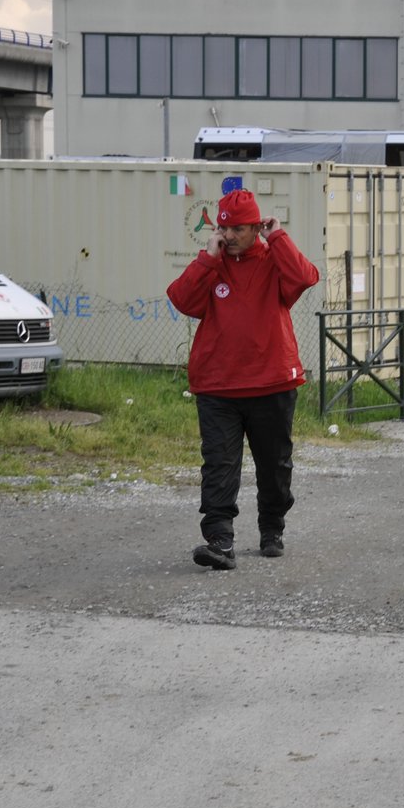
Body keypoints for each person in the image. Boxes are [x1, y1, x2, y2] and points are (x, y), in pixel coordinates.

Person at [166, 188, 321, 570]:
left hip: (272, 381)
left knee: (274, 464)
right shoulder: (213, 264)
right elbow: (181, 300)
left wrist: (279, 237)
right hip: (218, 385)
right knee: (219, 463)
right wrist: (208, 258)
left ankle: (272, 527)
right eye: (224, 228)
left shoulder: (273, 259)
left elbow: (306, 277)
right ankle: (220, 540)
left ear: (256, 227)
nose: (230, 235)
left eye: (238, 228)